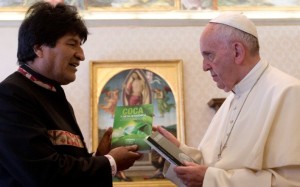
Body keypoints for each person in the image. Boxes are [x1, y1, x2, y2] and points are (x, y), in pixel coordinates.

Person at [0, 2, 141, 187]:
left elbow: (64, 165)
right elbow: (43, 174)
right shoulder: (10, 96)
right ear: (39, 48)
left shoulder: (57, 96)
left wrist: (100, 156)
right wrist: (110, 162)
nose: (81, 55)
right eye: (72, 44)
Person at [157, 12, 300, 187]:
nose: (204, 66)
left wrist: (210, 180)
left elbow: (292, 182)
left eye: (209, 55)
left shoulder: (289, 93)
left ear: (237, 51)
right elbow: (214, 165)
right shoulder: (232, 99)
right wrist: (178, 151)